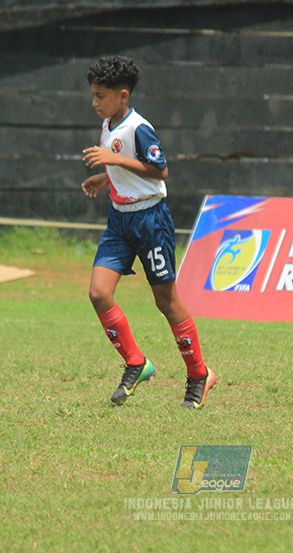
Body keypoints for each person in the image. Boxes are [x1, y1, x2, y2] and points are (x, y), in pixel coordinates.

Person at [80, 55, 215, 409]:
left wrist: (114, 162)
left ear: (123, 96)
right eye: (93, 95)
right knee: (98, 293)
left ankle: (199, 375)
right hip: (120, 220)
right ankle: (136, 363)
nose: (95, 103)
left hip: (150, 221)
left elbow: (160, 170)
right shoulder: (109, 124)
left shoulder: (139, 127)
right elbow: (124, 168)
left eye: (101, 96)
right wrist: (105, 178)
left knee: (165, 302)